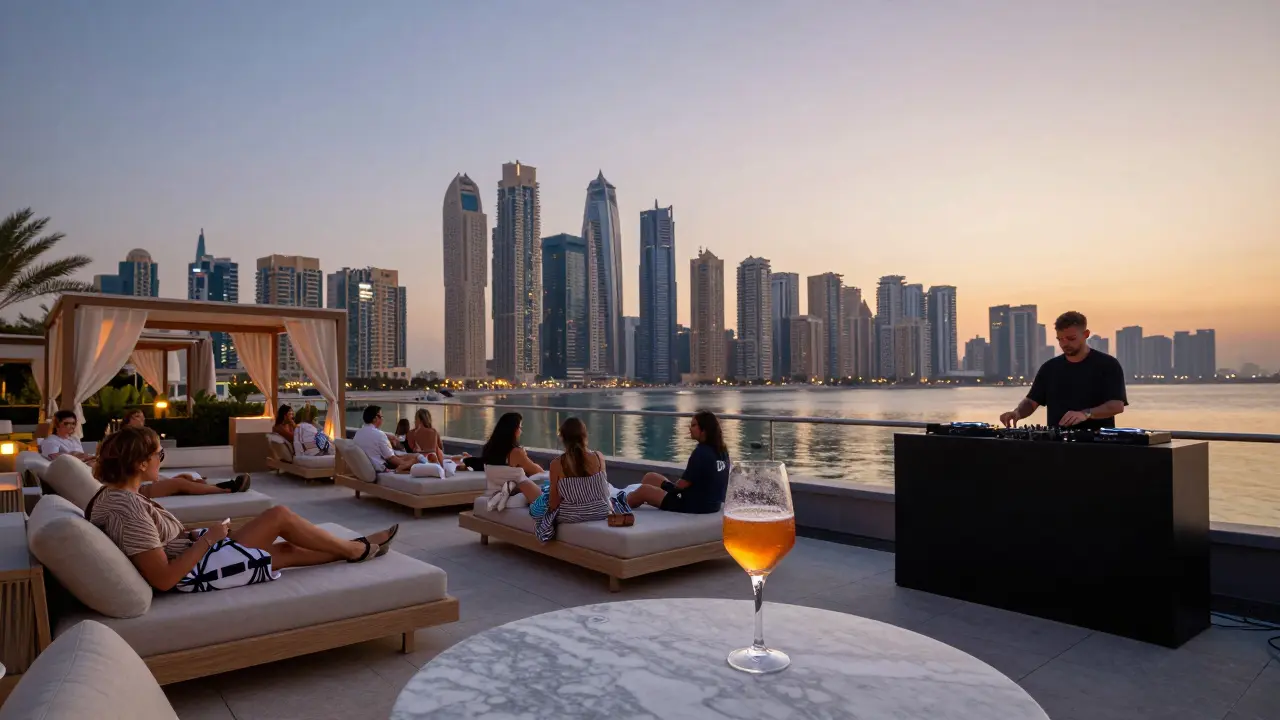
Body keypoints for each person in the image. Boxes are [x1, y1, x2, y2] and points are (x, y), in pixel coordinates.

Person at [86, 426, 397, 592]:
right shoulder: (125, 507)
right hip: (197, 571)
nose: (161, 459)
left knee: (286, 551)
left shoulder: (118, 495)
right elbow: (164, 578)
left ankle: (355, 549)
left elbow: (160, 545)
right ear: (141, 464)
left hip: (199, 556)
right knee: (279, 516)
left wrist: (199, 535)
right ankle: (357, 549)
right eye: (159, 454)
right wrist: (209, 538)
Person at [1000, 311, 1128, 430]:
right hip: (1057, 444)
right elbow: (1032, 401)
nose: (1065, 344)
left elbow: (1117, 405)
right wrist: (1017, 412)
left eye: (1071, 338)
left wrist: (1086, 414)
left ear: (1085, 334)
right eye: (1060, 339)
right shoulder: (1049, 368)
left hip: (1098, 444)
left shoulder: (1108, 365)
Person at [502, 418, 617, 543]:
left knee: (536, 508)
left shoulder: (557, 464)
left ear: (563, 438)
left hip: (570, 514)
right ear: (585, 435)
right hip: (601, 510)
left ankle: (514, 490)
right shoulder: (598, 457)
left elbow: (553, 503)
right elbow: (604, 492)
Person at [117, 409, 250, 495]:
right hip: (137, 487)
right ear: (128, 419)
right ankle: (229, 488)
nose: (141, 419)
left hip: (140, 481)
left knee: (185, 478)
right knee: (179, 483)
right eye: (136, 417)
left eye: (142, 416)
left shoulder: (142, 436)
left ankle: (220, 485)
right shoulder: (124, 438)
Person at [627, 410, 731, 513]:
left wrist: (669, 489)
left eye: (694, 425)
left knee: (644, 491)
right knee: (650, 477)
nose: (690, 428)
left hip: (694, 504)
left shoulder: (701, 452)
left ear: (704, 430)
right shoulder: (722, 451)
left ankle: (618, 505)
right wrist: (669, 487)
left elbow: (682, 485)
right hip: (713, 504)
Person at [353, 406, 419, 473]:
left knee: (411, 457)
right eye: (381, 417)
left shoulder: (358, 433)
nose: (382, 419)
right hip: (380, 468)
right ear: (375, 418)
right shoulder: (379, 435)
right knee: (416, 460)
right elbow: (391, 458)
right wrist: (407, 464)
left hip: (367, 467)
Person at [405, 408, 470, 468]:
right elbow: (441, 447)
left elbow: (411, 449)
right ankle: (464, 457)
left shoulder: (411, 433)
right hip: (434, 457)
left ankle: (464, 457)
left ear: (418, 419)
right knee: (449, 457)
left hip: (421, 458)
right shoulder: (433, 431)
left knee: (448, 457)